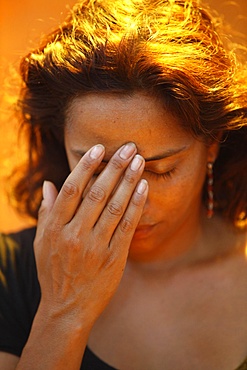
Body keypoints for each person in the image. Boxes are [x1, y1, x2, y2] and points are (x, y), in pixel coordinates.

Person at [0, 0, 247, 369]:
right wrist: (63, 311)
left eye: (160, 169)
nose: (128, 201)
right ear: (61, 144)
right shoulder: (12, 272)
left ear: (212, 145)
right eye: (98, 169)